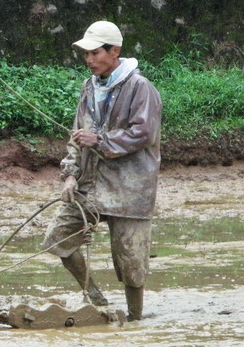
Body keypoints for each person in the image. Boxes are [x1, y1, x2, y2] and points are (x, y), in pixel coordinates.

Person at [42, 20, 162, 320]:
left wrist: (100, 140)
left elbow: (143, 133)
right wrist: (70, 174)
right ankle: (97, 299)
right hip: (90, 183)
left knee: (131, 262)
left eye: (95, 53)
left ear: (115, 51)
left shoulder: (140, 88)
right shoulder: (89, 87)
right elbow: (77, 134)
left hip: (130, 188)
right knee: (58, 239)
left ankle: (134, 319)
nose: (89, 60)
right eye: (86, 54)